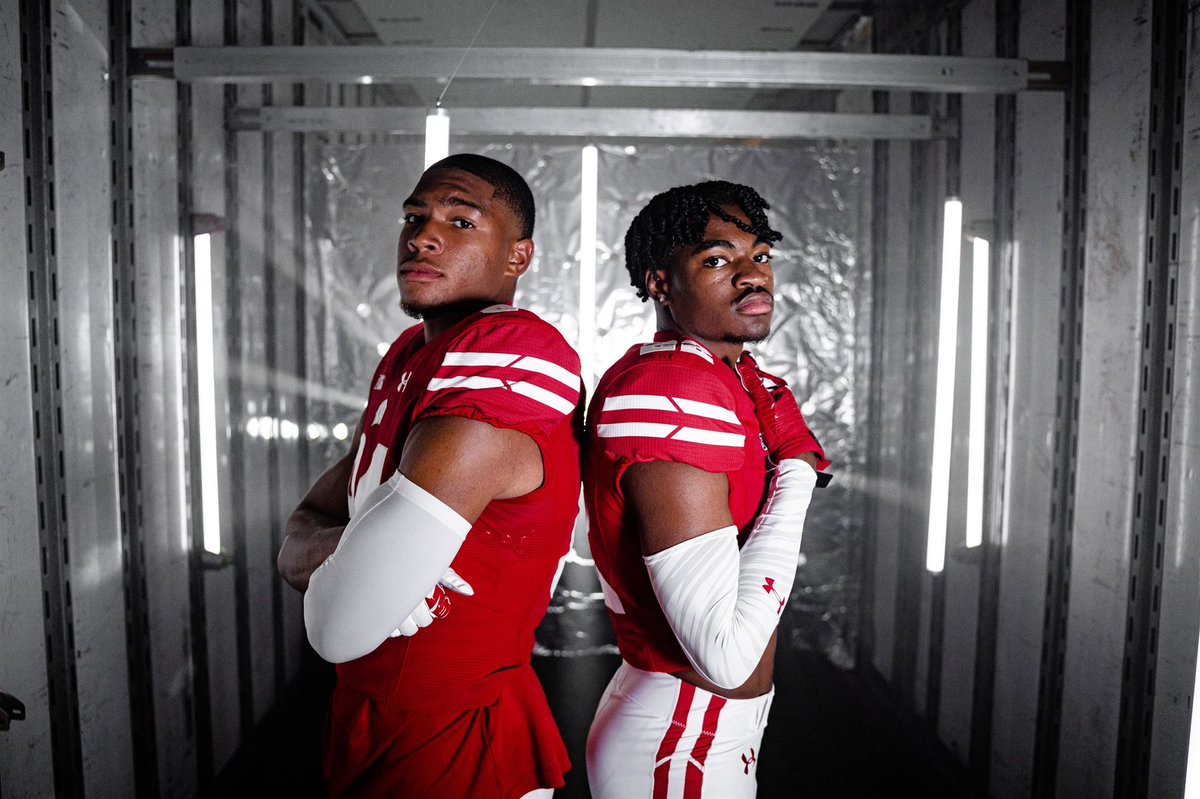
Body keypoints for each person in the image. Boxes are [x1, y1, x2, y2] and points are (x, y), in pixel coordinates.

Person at [277, 154, 580, 799]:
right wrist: (350, 552)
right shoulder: (412, 355)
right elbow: (302, 528)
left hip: (459, 735)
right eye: (415, 217)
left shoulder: (506, 356)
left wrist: (347, 559)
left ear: (517, 257)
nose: (423, 235)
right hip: (370, 710)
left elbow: (338, 624)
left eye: (460, 220)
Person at [583, 181, 830, 798]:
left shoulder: (725, 376)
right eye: (717, 260)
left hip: (698, 730)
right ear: (661, 283)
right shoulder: (671, 388)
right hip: (683, 737)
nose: (753, 277)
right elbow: (723, 653)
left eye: (761, 257)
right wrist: (796, 469)